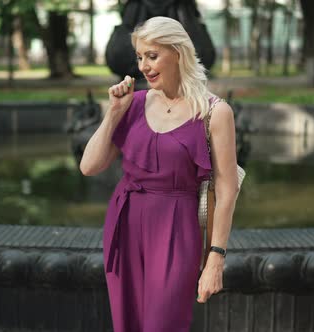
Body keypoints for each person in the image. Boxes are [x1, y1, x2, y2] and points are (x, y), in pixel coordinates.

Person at [79, 16, 240, 332]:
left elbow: (228, 189)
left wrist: (215, 259)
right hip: (124, 223)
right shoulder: (133, 104)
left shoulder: (215, 113)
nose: (144, 67)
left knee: (163, 324)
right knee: (128, 323)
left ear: (178, 53)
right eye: (140, 57)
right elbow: (89, 166)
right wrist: (113, 113)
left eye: (152, 56)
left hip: (176, 230)